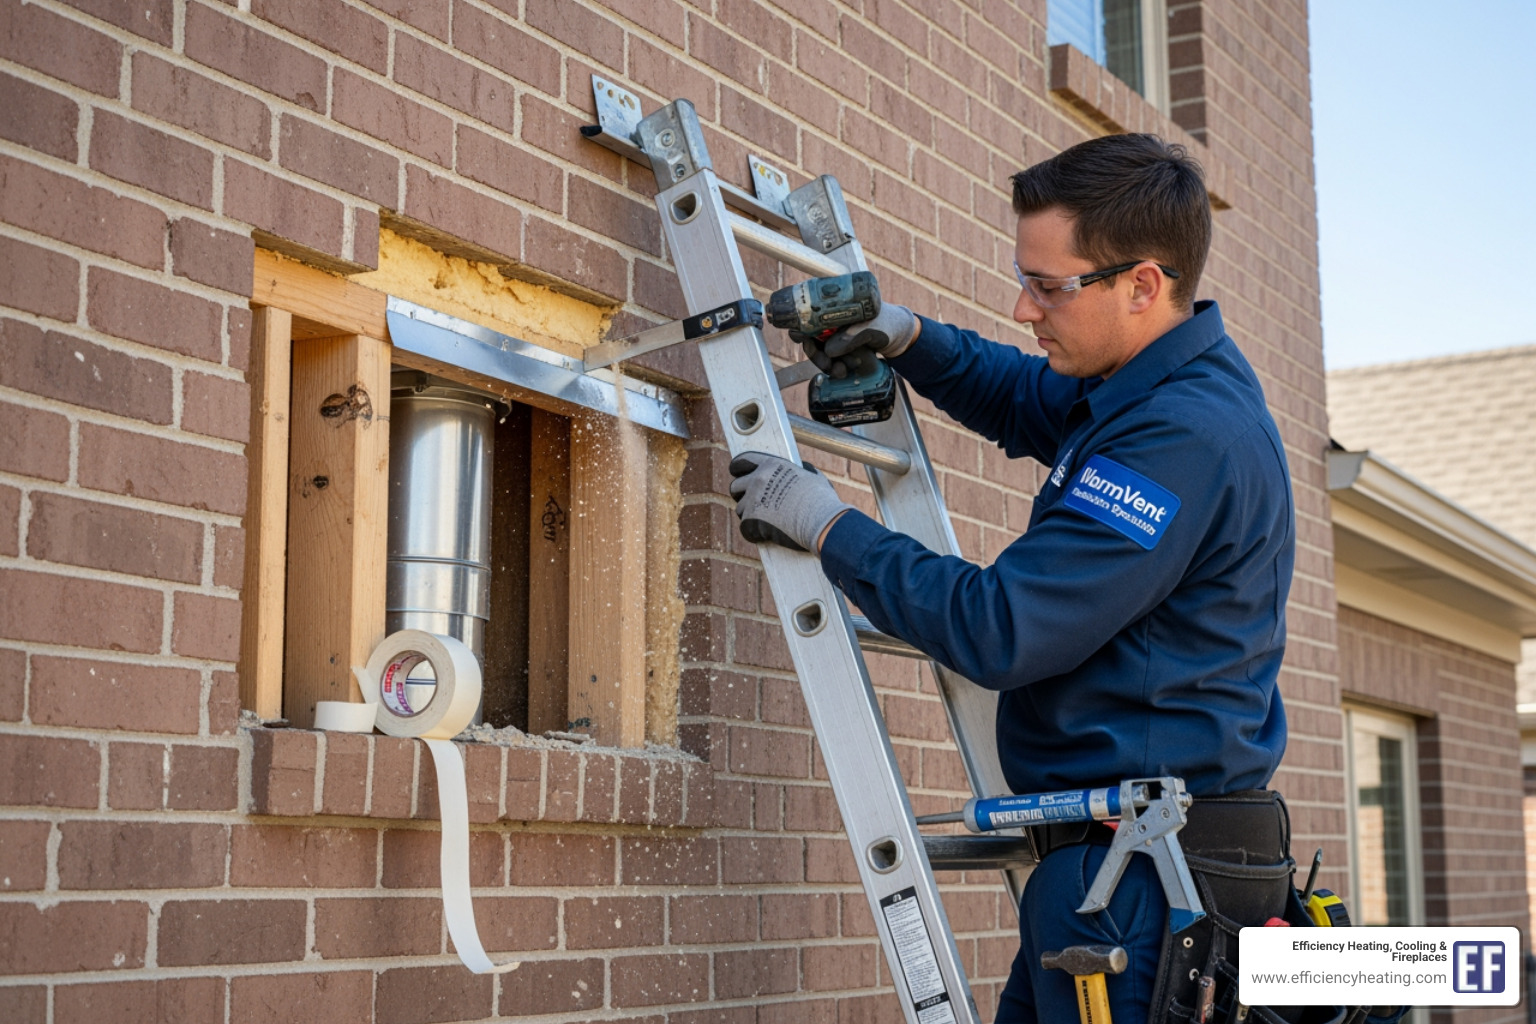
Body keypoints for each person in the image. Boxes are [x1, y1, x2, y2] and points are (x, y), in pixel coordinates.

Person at [729, 133, 1296, 1023]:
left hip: (1143, 887)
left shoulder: (1181, 438)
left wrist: (827, 527)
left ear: (1143, 284)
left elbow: (1002, 629)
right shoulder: (1148, 384)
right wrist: (910, 339)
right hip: (1121, 872)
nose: (1025, 307)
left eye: (1049, 285)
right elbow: (1028, 398)